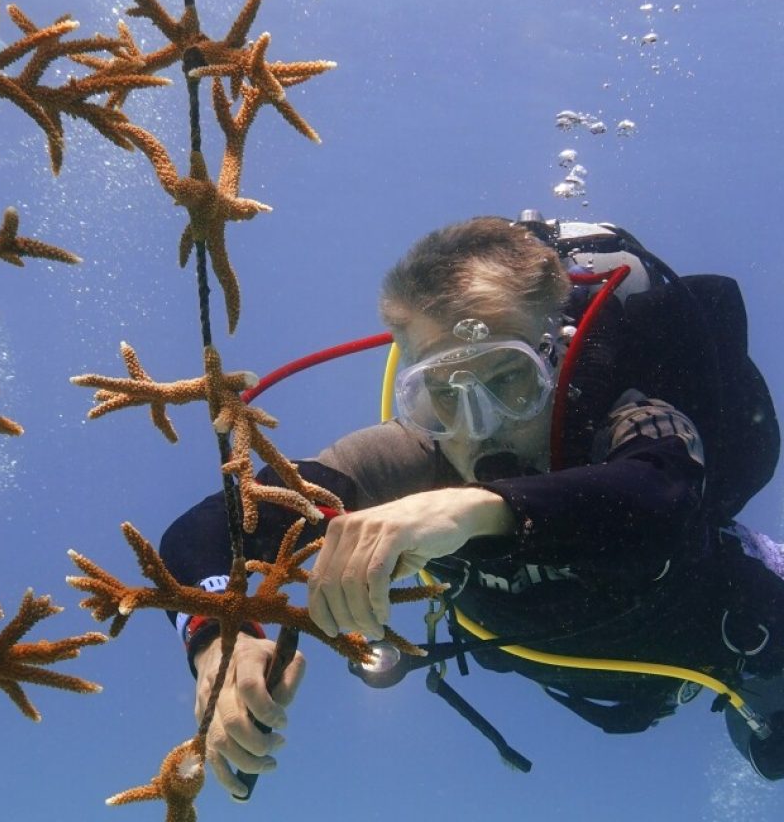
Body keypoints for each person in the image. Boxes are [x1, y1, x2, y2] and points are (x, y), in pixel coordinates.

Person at [160, 214, 784, 795]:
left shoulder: (631, 416)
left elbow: (661, 499)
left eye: (508, 378)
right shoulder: (411, 456)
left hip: (718, 639)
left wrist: (471, 508)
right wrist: (220, 633)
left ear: (555, 352)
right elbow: (212, 527)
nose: (478, 424)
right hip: (559, 668)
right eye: (443, 391)